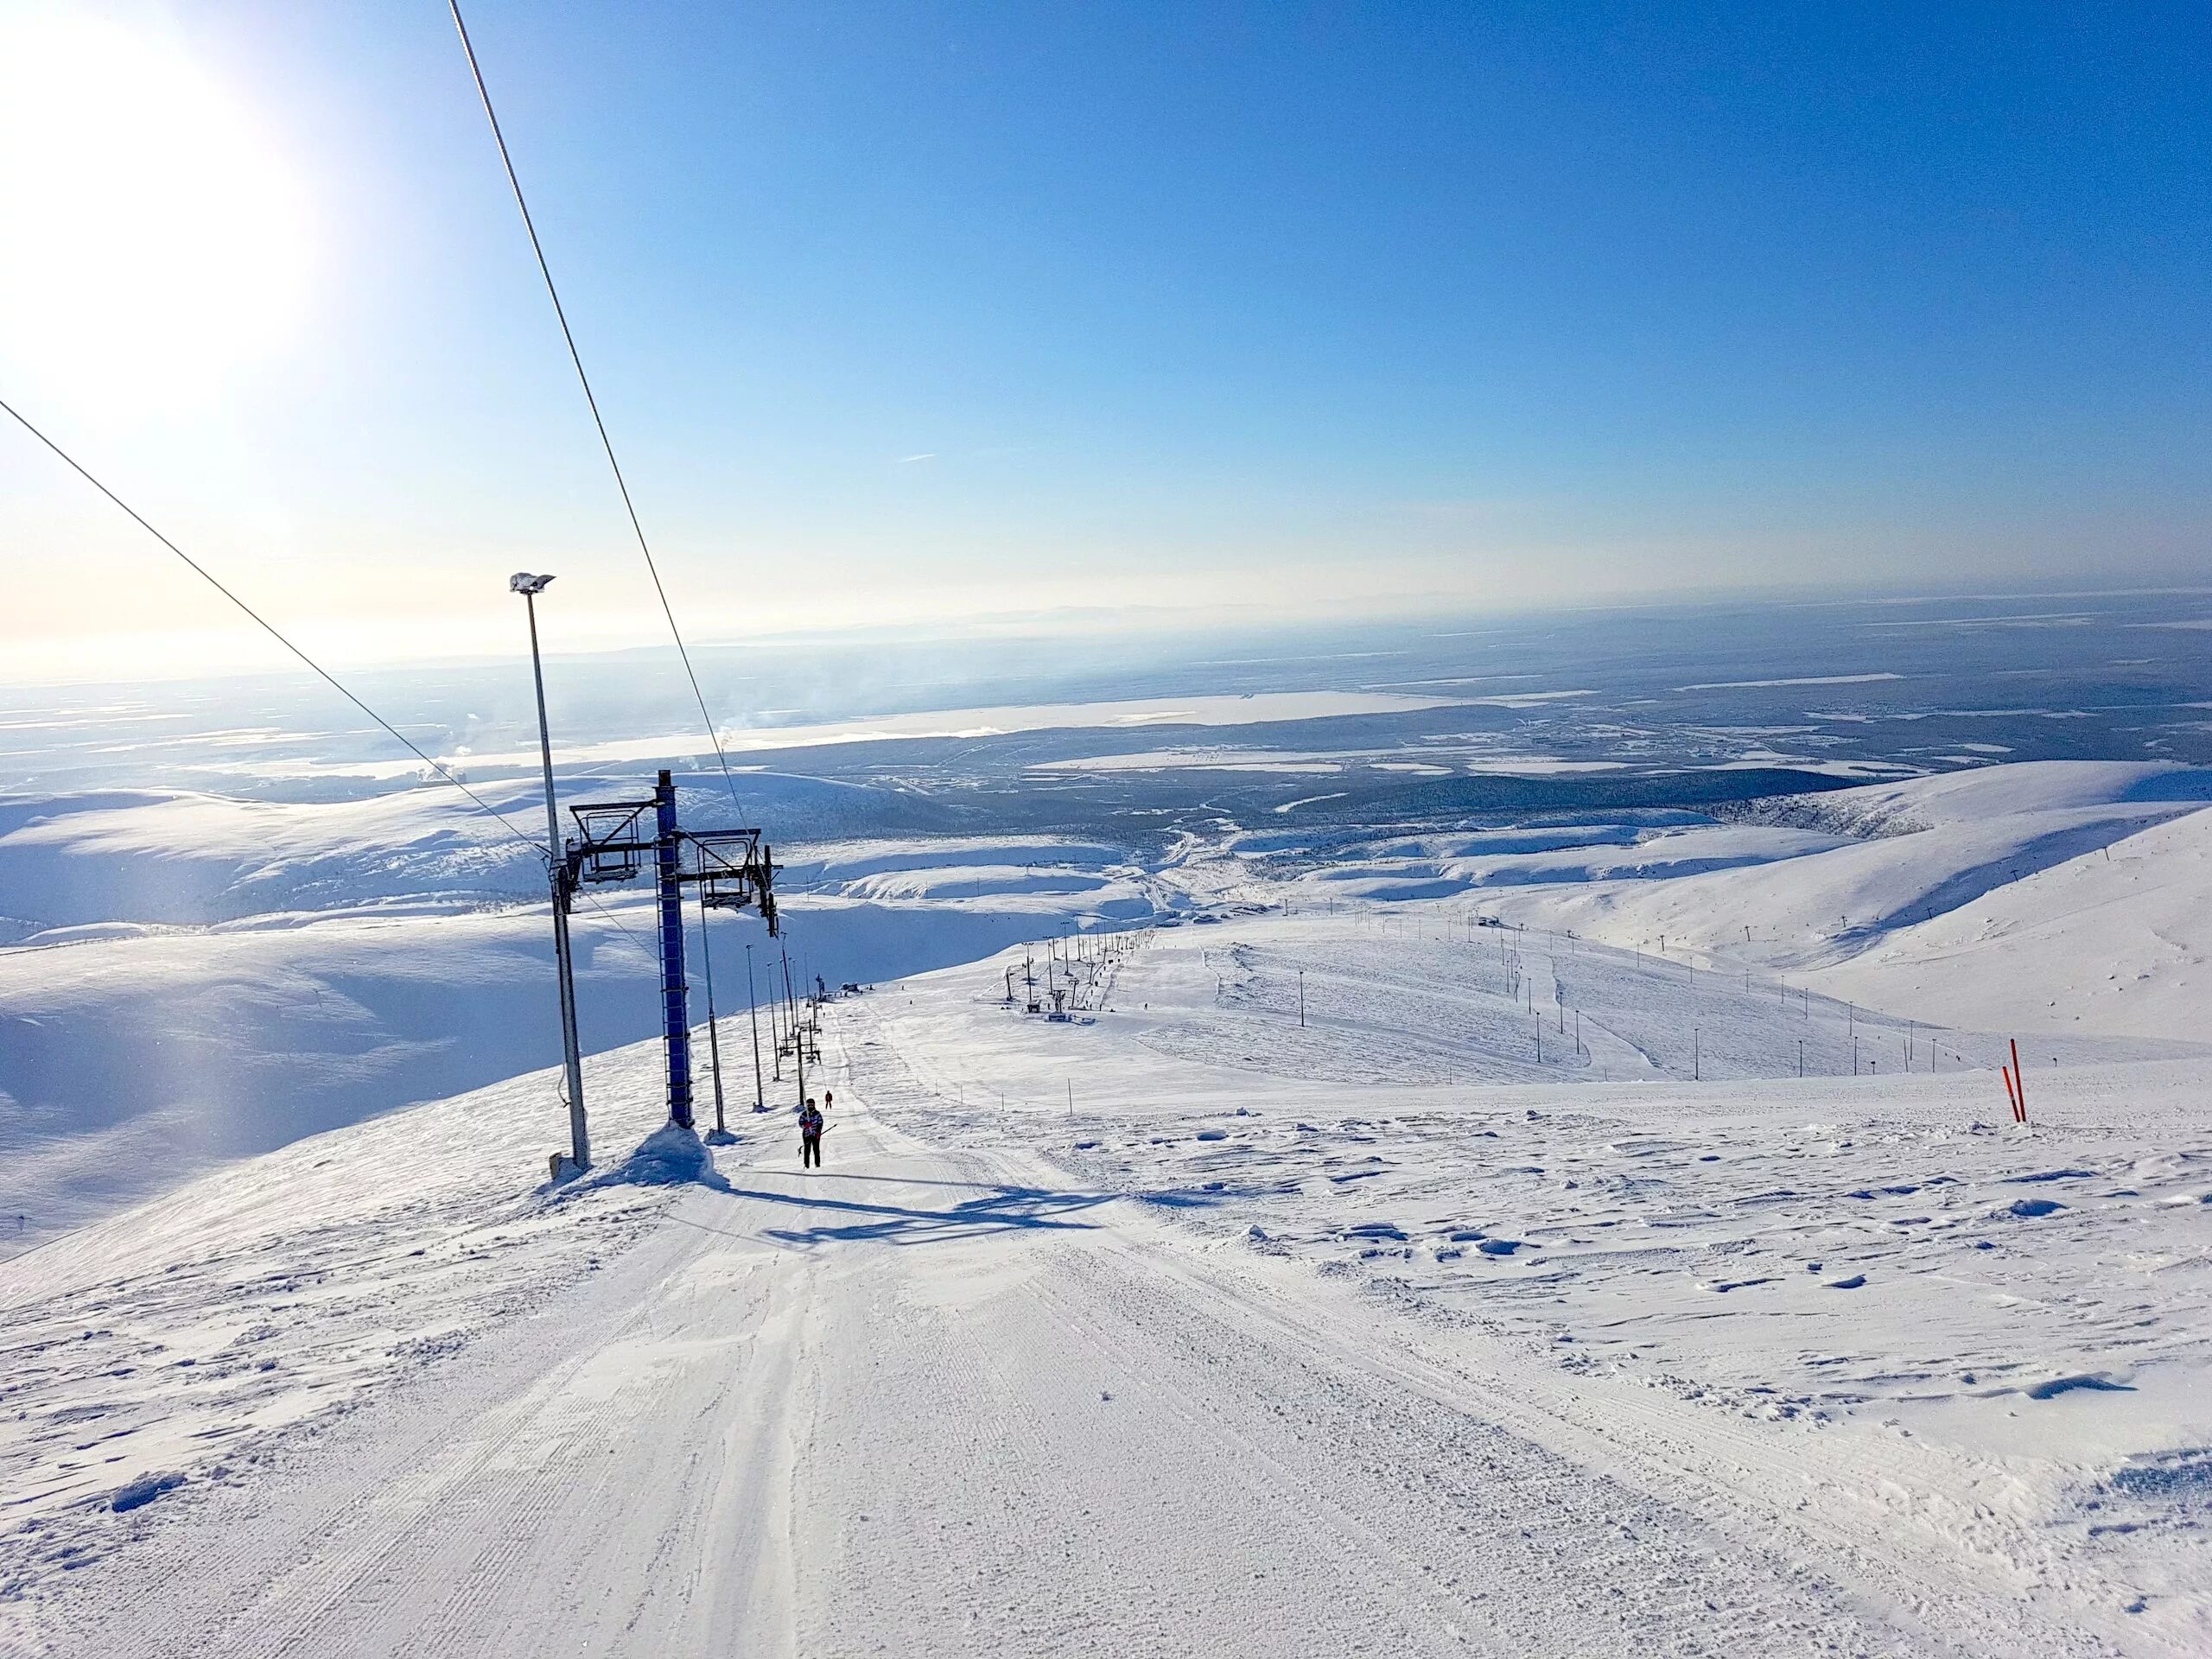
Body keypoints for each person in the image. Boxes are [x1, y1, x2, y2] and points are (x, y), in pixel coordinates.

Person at [798, 1096, 823, 1167]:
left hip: (815, 1135)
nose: (810, 1106)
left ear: (814, 1105)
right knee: (807, 1151)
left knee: (816, 1150)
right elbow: (800, 1123)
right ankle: (806, 1165)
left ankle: (817, 1164)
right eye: (809, 1105)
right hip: (807, 1135)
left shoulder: (817, 1113)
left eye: (812, 1105)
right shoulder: (804, 1114)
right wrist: (805, 1125)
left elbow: (820, 1123)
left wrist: (818, 1132)